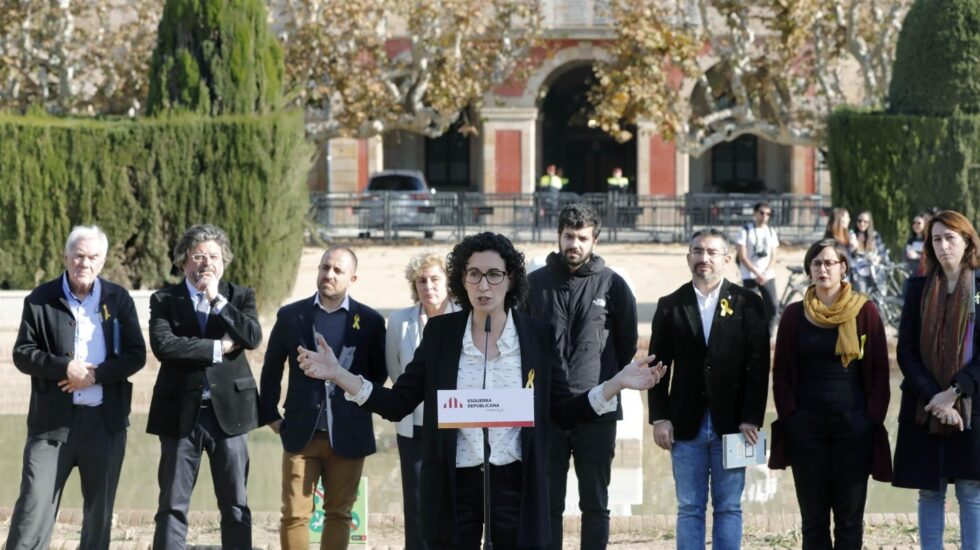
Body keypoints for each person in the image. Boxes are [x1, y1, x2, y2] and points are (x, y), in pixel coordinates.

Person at [297, 232, 665, 550]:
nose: (484, 286)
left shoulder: (536, 335)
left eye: (493, 275)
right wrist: (339, 374)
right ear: (462, 280)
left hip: (516, 481)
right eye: (474, 275)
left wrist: (616, 383)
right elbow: (398, 403)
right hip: (455, 481)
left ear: (511, 281)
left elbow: (564, 410)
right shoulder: (441, 334)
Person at [6, 225, 146, 550]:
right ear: (66, 256)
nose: (85, 262)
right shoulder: (40, 300)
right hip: (51, 427)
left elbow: (136, 355)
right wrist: (63, 367)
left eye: (92, 256)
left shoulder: (119, 300)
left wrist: (97, 375)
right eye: (79, 255)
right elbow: (21, 353)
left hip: (105, 425)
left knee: (99, 517)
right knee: (32, 511)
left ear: (103, 261)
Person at [648, 228, 770, 550]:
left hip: (735, 425)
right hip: (684, 423)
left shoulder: (749, 303)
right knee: (689, 507)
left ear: (727, 259)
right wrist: (659, 418)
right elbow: (657, 369)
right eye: (698, 251)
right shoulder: (669, 305)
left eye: (712, 252)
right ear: (688, 257)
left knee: (729, 507)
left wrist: (751, 417)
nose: (704, 258)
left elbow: (757, 368)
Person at [524, 203, 638, 550]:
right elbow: (519, 342)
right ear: (558, 236)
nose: (575, 244)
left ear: (595, 240)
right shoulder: (534, 284)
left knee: (595, 502)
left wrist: (602, 386)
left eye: (582, 238)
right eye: (569, 236)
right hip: (547, 410)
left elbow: (627, 344)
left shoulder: (614, 285)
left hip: (596, 408)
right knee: (548, 503)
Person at [259, 245, 387, 550]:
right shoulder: (291, 316)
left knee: (339, 514)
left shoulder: (369, 321)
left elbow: (378, 374)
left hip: (349, 433)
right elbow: (271, 369)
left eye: (337, 270)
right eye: (324, 267)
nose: (328, 274)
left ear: (352, 279)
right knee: (293, 515)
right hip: (301, 434)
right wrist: (273, 418)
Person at [768, 238, 892, 549]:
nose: (823, 268)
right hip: (806, 429)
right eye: (816, 263)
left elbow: (879, 369)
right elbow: (781, 370)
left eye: (829, 262)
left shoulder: (865, 311)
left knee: (850, 520)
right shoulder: (794, 315)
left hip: (853, 428)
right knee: (813, 519)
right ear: (809, 271)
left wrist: (870, 418)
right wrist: (791, 416)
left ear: (843, 268)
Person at [147, 223, 263, 549]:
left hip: (230, 414)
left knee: (236, 504)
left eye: (214, 256)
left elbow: (252, 337)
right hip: (180, 414)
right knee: (172, 504)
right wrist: (219, 348)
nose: (206, 263)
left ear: (224, 261)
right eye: (198, 256)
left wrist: (217, 301)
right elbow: (164, 346)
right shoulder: (164, 299)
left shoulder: (240, 296)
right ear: (183, 261)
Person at [892, 210, 980, 550]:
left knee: (971, 491)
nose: (943, 246)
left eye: (950, 238)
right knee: (930, 490)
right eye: (937, 239)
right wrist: (937, 398)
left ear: (967, 241)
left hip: (972, 404)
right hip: (924, 405)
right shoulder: (918, 288)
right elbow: (906, 351)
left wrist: (955, 391)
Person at [383, 251, 460, 550]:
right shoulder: (399, 321)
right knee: (415, 500)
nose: (428, 286)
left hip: (456, 424)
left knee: (454, 499)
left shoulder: (464, 317)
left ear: (448, 282)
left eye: (435, 279)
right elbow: (395, 369)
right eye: (421, 281)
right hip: (412, 427)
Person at [736, 202, 779, 334]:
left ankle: (770, 335)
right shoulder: (745, 230)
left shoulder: (771, 231)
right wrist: (757, 273)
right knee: (750, 308)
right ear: (754, 213)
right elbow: (742, 256)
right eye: (761, 213)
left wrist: (765, 273)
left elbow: (774, 255)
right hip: (750, 275)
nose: (764, 216)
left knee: (773, 306)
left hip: (767, 276)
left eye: (768, 214)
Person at [904, 212, 930, 277]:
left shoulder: (928, 239)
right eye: (914, 223)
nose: (916, 225)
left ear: (924, 224)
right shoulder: (910, 239)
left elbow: (930, 257)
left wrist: (917, 256)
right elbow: (905, 256)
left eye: (918, 223)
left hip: (925, 274)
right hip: (912, 273)